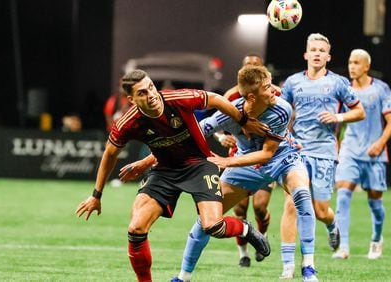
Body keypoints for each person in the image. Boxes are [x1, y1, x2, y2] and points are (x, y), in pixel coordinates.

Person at [75, 69, 270, 282]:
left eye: (151, 87)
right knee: (136, 228)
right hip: (165, 171)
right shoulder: (127, 123)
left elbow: (215, 99)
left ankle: (245, 229)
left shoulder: (178, 99)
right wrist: (96, 195)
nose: (151, 95)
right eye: (142, 93)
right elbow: (109, 154)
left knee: (213, 226)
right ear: (131, 99)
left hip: (200, 164)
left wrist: (242, 120)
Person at [167, 65, 318, 282]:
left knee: (302, 196)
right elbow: (201, 128)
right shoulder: (231, 112)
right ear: (251, 96)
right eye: (267, 87)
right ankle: (183, 277)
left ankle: (308, 268)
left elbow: (267, 154)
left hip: (283, 159)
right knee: (207, 218)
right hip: (246, 167)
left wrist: (226, 161)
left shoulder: (282, 108)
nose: (274, 91)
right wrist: (154, 157)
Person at [280, 33, 366, 267]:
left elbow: (359, 111)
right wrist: (284, 141)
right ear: (306, 54)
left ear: (328, 57)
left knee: (320, 211)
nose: (317, 53)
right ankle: (288, 267)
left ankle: (332, 224)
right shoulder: (292, 83)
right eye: (313, 50)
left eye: (322, 50)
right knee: (291, 205)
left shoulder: (338, 82)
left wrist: (337, 116)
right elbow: (282, 114)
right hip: (296, 152)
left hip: (325, 152)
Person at [331, 49, 391, 260]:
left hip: (374, 152)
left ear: (366, 66)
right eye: (350, 62)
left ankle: (377, 239)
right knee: (342, 195)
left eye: (357, 63)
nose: (352, 66)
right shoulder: (345, 90)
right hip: (350, 150)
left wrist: (380, 143)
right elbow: (336, 122)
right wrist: (336, 147)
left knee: (375, 203)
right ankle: (343, 247)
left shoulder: (381, 89)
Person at [219, 53, 282, 267]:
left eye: (257, 65)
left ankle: (260, 238)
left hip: (264, 158)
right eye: (248, 65)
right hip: (238, 156)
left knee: (260, 207)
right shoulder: (231, 96)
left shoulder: (273, 94)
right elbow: (215, 124)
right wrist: (222, 137)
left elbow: (284, 119)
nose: (253, 67)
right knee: (239, 209)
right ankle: (243, 253)